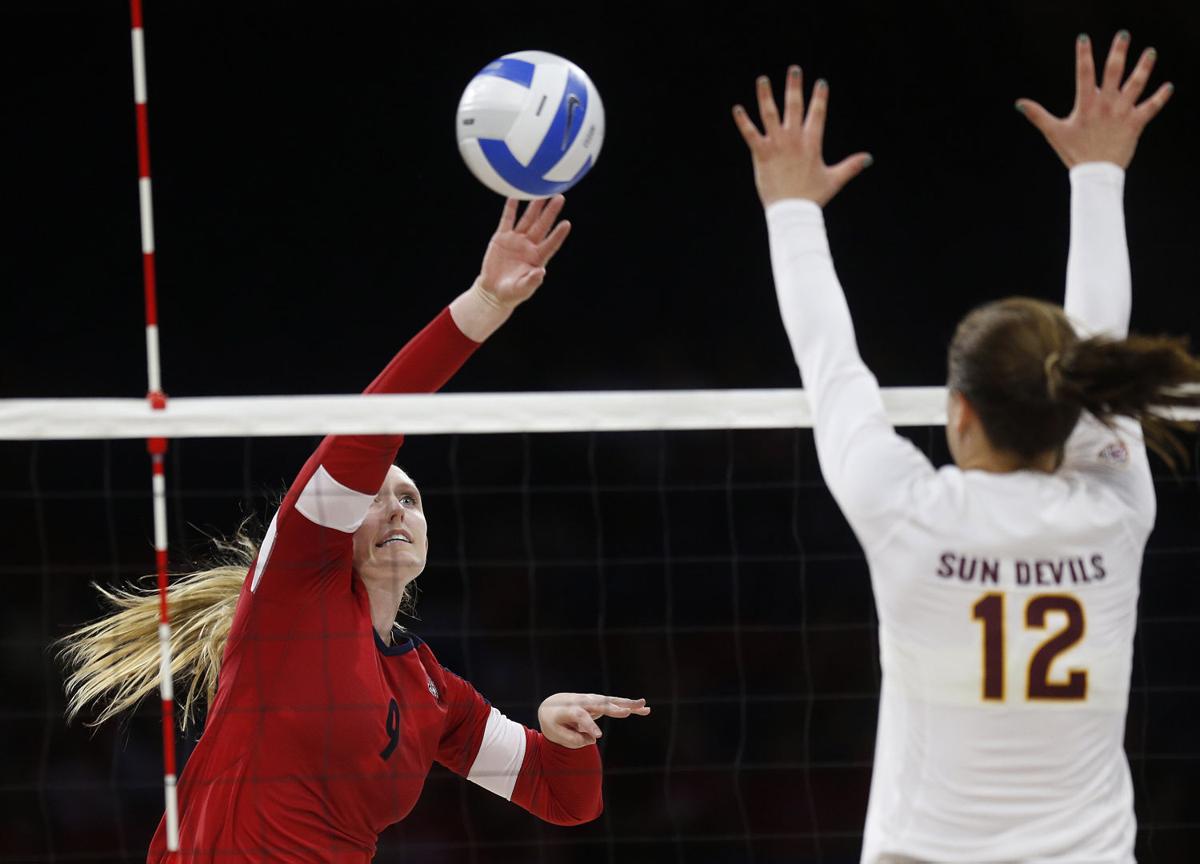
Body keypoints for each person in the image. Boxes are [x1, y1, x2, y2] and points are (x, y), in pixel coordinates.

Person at [59, 195, 650, 862]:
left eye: (412, 499)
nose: (397, 507)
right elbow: (371, 427)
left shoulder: (434, 693)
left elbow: (565, 801)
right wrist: (483, 305)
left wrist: (563, 737)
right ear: (338, 523)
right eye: (377, 495)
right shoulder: (294, 587)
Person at [733, 32, 1195, 863]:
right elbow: (1096, 344)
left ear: (960, 414)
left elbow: (831, 362)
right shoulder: (1116, 507)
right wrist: (1099, 172)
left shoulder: (909, 509)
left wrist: (791, 205)